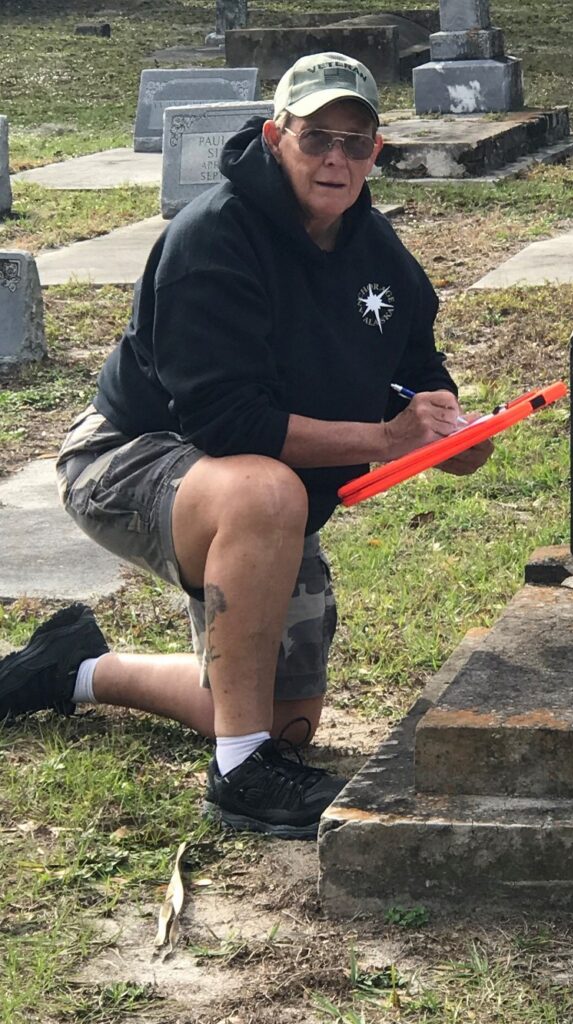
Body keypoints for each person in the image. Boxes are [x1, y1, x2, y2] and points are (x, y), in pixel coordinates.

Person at [0, 52, 492, 839]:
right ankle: (237, 780)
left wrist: (446, 429)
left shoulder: (377, 250)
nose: (336, 159)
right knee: (266, 491)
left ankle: (76, 669)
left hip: (260, 479)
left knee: (286, 724)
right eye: (316, 137)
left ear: (377, 151)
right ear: (274, 136)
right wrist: (386, 440)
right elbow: (228, 427)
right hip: (130, 454)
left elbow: (416, 370)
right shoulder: (214, 239)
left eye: (356, 143)